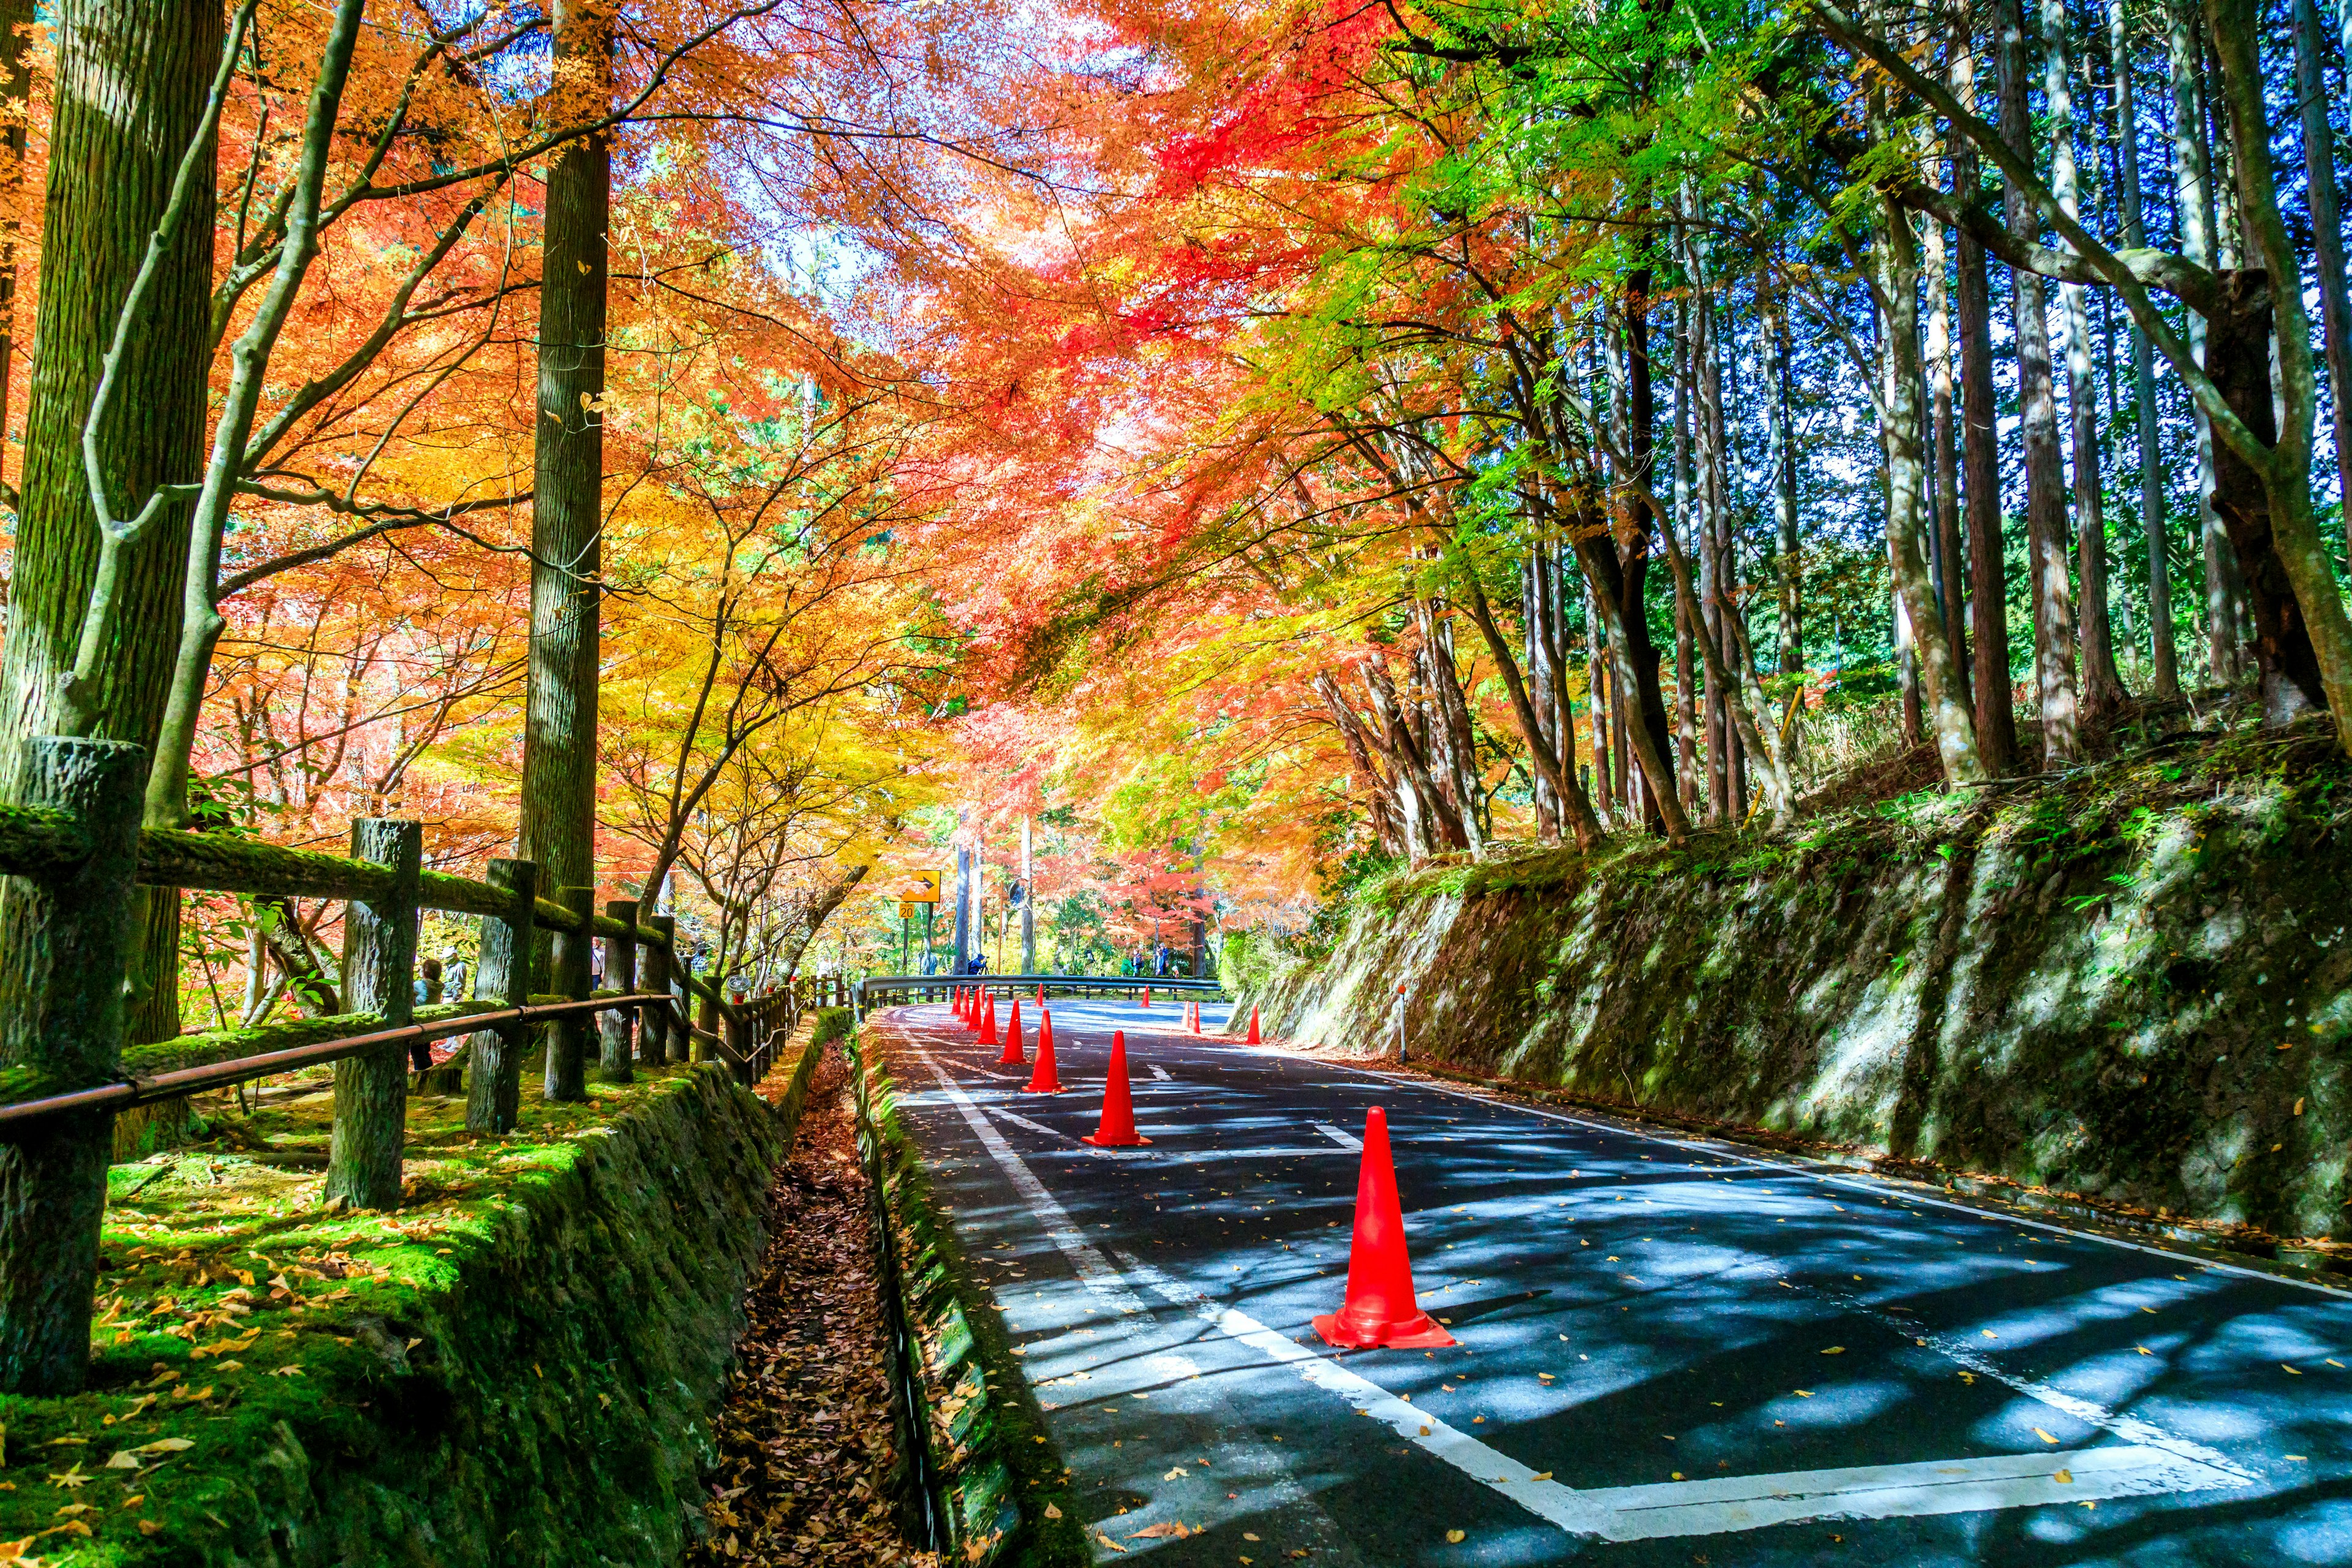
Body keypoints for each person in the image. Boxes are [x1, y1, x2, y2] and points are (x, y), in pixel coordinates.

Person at [410, 959, 444, 1075]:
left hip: (418, 1024)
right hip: (430, 1023)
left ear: (426, 972)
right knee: (425, 1051)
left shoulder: (421, 985)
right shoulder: (439, 985)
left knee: (418, 1053)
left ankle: (421, 1077)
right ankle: (429, 1073)